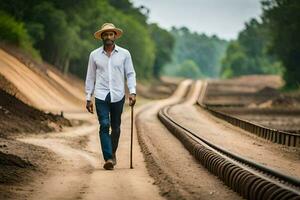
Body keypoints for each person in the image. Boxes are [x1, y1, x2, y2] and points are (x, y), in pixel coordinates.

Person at [85, 23, 136, 170]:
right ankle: (108, 157)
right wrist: (88, 97)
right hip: (101, 95)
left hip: (118, 95)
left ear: (115, 36)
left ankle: (112, 153)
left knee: (116, 127)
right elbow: (90, 77)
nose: (108, 37)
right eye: (105, 34)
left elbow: (130, 73)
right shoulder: (94, 55)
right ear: (101, 37)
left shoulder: (125, 54)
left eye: (111, 34)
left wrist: (132, 92)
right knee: (104, 125)